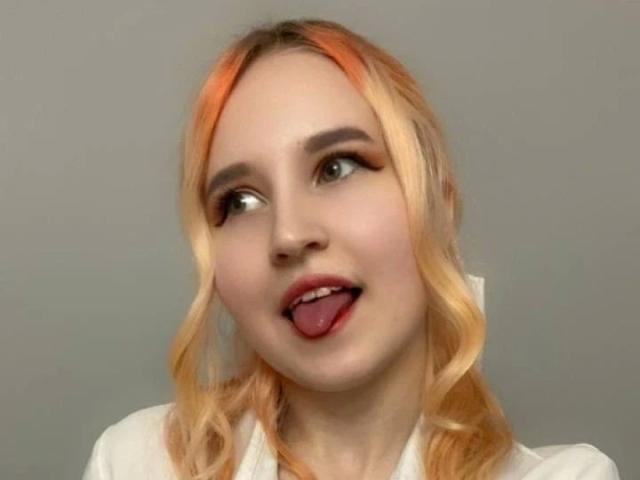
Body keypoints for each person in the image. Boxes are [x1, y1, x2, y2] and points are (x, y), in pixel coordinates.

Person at [82, 18, 620, 480]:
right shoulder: (136, 463)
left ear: (440, 204)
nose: (288, 235)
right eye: (240, 201)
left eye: (336, 167)